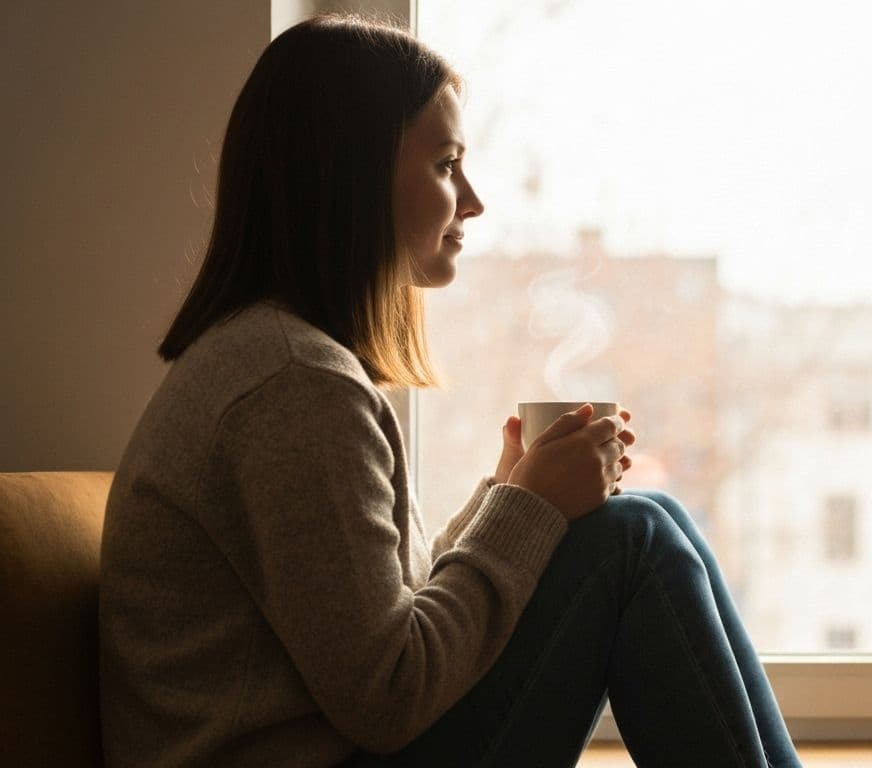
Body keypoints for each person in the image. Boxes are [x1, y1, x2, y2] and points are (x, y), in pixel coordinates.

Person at [98, 14, 802, 768]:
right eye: (445, 165)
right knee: (629, 540)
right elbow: (389, 693)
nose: (471, 200)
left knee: (649, 513)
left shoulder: (279, 360)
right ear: (352, 175)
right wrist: (526, 511)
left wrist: (507, 498)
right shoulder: (292, 386)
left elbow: (376, 628)